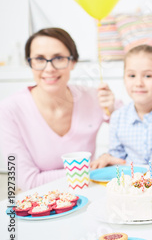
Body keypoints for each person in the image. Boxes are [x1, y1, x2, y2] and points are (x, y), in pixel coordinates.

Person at [0, 28, 116, 190]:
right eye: (40, 59)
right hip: (38, 202)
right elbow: (27, 181)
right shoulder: (9, 110)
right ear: (30, 63)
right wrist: (91, 170)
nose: (49, 69)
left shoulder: (94, 97)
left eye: (59, 58)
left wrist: (114, 114)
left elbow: (136, 128)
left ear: (73, 62)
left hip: (88, 193)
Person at [90, 45, 152, 169]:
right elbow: (117, 157)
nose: (138, 83)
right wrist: (107, 157)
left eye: (148, 76)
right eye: (132, 76)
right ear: (124, 79)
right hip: (130, 184)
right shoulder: (117, 117)